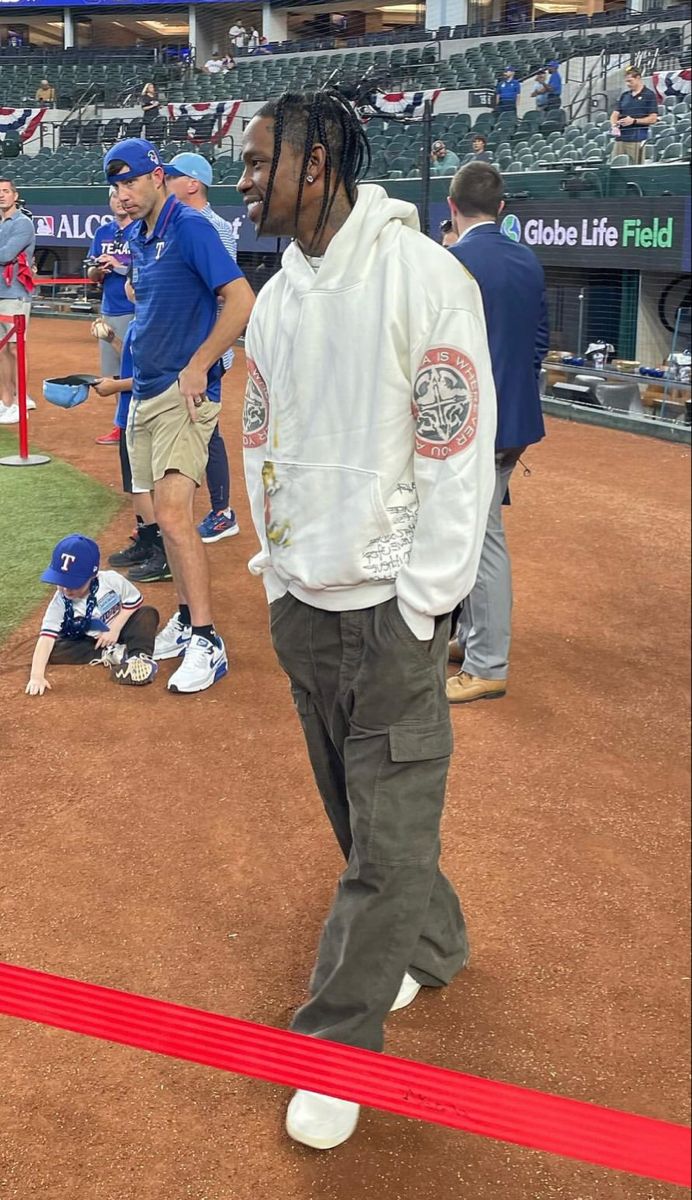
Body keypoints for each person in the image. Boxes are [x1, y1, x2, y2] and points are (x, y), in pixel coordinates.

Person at [239, 88, 496, 1148]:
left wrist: (422, 605)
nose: (244, 179)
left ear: (317, 163)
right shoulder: (275, 300)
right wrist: (272, 574)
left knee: (380, 850)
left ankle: (334, 1050)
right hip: (304, 607)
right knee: (362, 821)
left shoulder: (424, 279)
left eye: (259, 161)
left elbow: (454, 452)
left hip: (389, 619)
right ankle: (429, 948)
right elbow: (255, 441)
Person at [103, 137, 254, 693]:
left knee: (170, 515)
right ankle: (188, 620)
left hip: (184, 396)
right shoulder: (143, 237)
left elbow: (240, 299)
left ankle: (209, 640)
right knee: (161, 519)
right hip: (145, 393)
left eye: (132, 181)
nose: (124, 194)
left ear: (158, 176)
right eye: (116, 185)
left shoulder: (189, 228)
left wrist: (200, 364)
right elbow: (154, 313)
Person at [446, 163, 548, 703]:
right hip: (516, 421)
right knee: (473, 534)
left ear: (451, 205)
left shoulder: (452, 261)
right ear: (501, 208)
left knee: (480, 541)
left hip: (470, 426)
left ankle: (488, 663)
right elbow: (538, 343)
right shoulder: (527, 259)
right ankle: (468, 637)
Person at [164, 151, 241, 544]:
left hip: (205, 354)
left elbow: (229, 293)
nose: (166, 183)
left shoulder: (214, 226)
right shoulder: (173, 224)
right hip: (181, 350)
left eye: (173, 177)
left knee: (205, 431)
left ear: (192, 183)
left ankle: (223, 511)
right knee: (182, 429)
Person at [91, 276, 170, 584]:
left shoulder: (151, 324)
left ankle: (160, 551)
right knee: (136, 485)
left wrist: (114, 386)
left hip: (142, 413)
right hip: (130, 414)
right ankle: (148, 541)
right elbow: (134, 362)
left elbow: (156, 377)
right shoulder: (140, 321)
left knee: (143, 485)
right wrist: (112, 339)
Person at [26, 534, 159, 695]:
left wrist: (114, 629)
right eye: (61, 581)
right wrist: (36, 676)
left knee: (147, 614)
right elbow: (47, 638)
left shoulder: (111, 580)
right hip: (89, 640)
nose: (66, 589)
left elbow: (134, 601)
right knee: (53, 649)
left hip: (120, 628)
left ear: (93, 575)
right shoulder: (60, 601)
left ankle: (138, 658)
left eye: (74, 583)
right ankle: (112, 654)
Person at [87, 186, 135, 446]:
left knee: (134, 369)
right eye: (114, 196)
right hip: (109, 307)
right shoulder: (102, 232)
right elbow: (92, 276)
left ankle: (135, 425)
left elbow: (143, 270)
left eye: (122, 196)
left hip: (134, 309)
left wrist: (117, 266)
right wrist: (98, 270)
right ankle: (120, 426)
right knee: (113, 374)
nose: (119, 201)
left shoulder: (140, 230)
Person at [0, 176, 35, 425]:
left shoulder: (23, 223)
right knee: (2, 350)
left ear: (15, 195)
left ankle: (21, 401)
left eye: (5, 191)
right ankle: (6, 400)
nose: (1, 195)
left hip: (15, 293)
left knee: (15, 348)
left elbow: (6, 255)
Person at [610, 66, 658, 165]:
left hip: (636, 139)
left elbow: (653, 118)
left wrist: (634, 121)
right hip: (620, 138)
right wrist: (614, 125)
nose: (628, 84)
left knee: (634, 166)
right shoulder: (624, 95)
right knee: (616, 166)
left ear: (638, 78)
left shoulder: (649, 95)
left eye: (630, 81)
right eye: (626, 81)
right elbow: (614, 114)